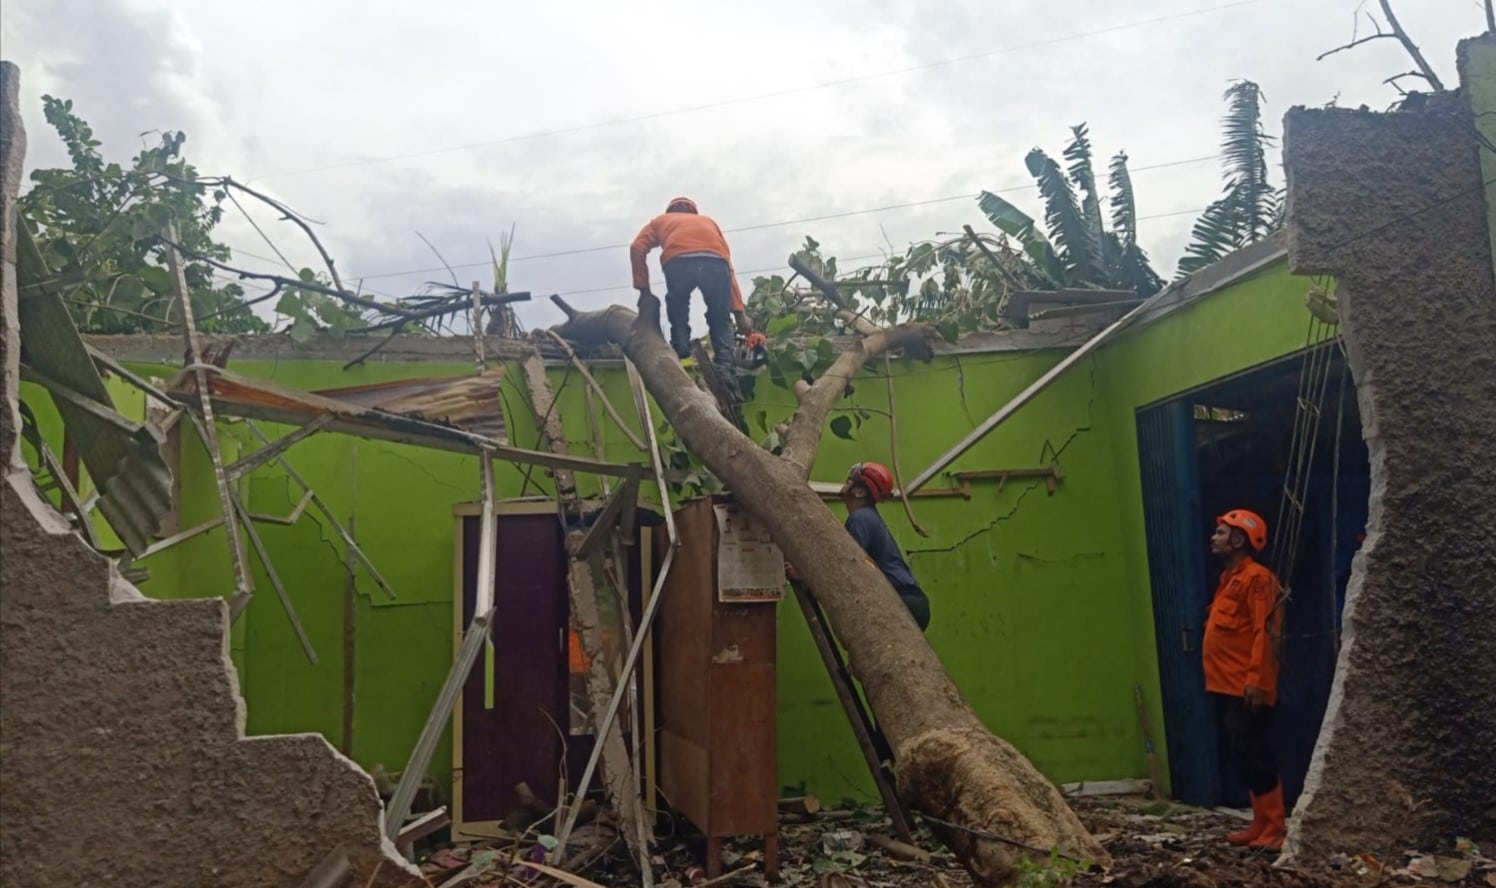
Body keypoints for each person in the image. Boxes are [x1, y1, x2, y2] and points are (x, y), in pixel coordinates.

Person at [1203, 508, 1286, 850]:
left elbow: (1265, 633)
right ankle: (1259, 823)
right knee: (1243, 754)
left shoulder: (1258, 579)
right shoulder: (1231, 581)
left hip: (1247, 687)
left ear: (1238, 540)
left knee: (1255, 753)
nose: (1214, 538)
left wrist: (1257, 680)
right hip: (1226, 685)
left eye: (1221, 533)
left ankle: (1276, 827)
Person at [629, 197, 763, 386]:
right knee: (720, 317)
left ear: (670, 211)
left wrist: (644, 290)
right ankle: (726, 370)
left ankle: (681, 347)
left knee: (678, 304)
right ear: (694, 212)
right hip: (715, 262)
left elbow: (637, 247)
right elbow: (729, 269)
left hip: (678, 262)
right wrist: (740, 315)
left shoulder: (660, 221)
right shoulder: (709, 222)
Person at [839, 462, 930, 631]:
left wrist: (804, 575)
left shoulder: (859, 518)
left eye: (850, 480)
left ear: (860, 492)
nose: (845, 484)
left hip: (902, 600)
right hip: (912, 600)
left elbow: (846, 562)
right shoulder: (869, 517)